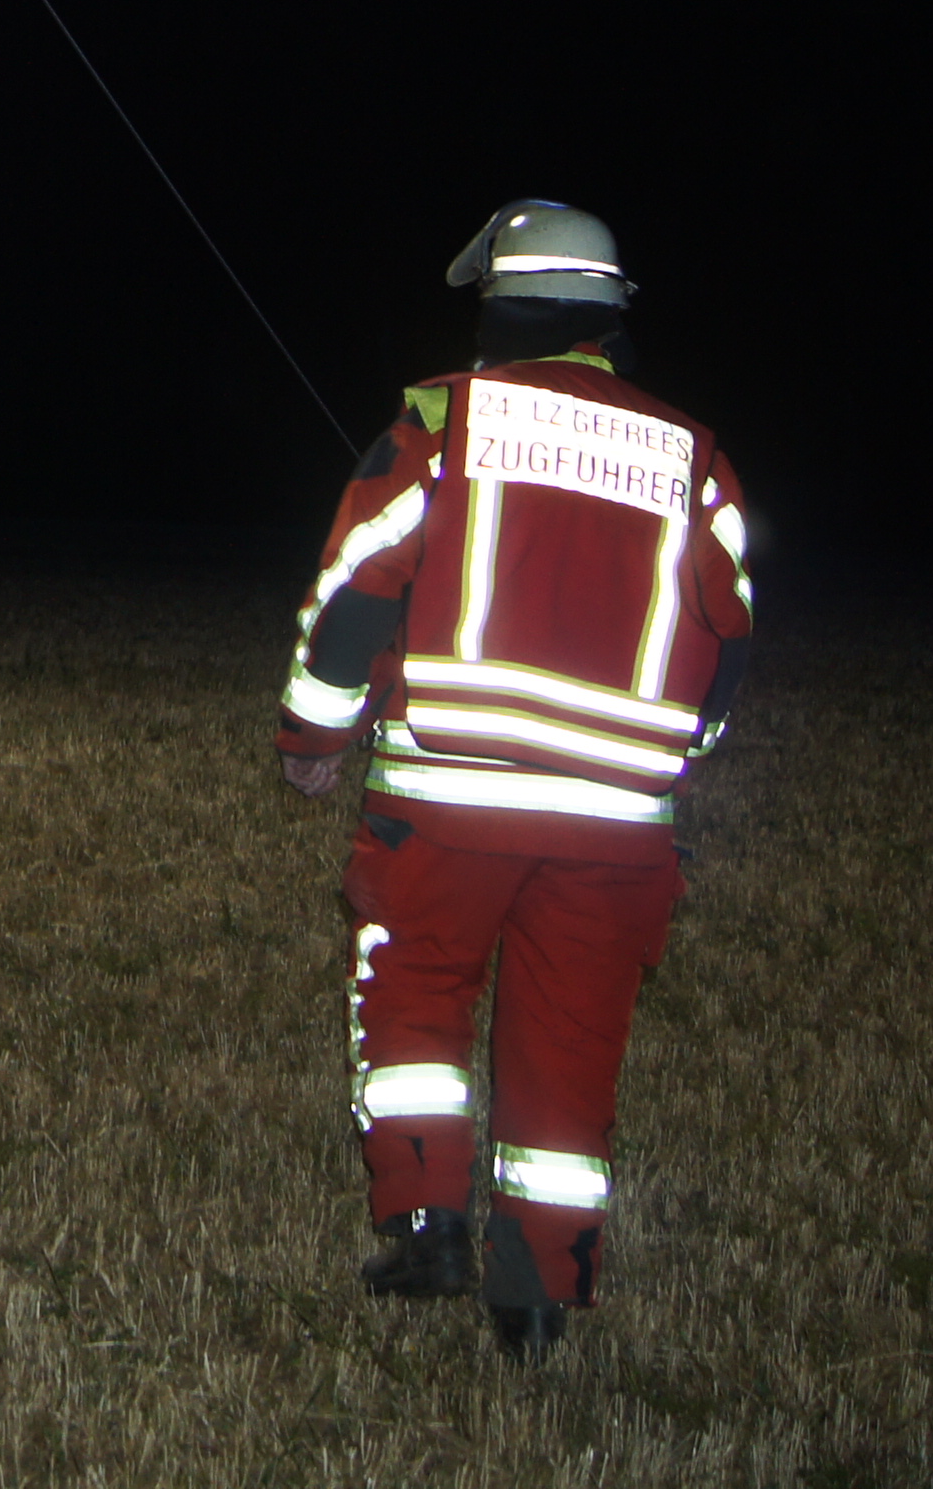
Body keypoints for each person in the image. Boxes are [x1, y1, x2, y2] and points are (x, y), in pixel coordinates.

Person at [272, 199, 754, 1360]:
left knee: (415, 993)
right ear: (607, 317)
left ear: (500, 304)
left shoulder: (447, 421)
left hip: (448, 803)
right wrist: (674, 763)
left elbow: (356, 590)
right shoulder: (695, 456)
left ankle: (425, 1222)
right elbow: (732, 630)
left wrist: (312, 735)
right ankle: (537, 1300)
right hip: (620, 830)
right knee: (572, 1043)